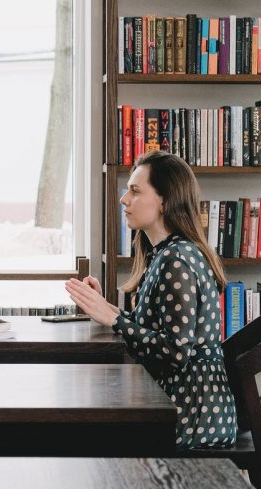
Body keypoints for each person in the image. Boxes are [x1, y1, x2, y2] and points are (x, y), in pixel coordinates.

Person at [65, 150, 236, 451]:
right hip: (183, 403)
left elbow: (176, 351)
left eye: (135, 191)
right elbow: (153, 330)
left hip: (190, 412)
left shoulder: (176, 260)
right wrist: (104, 307)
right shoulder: (166, 253)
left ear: (164, 201)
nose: (124, 200)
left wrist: (113, 319)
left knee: (81, 430)